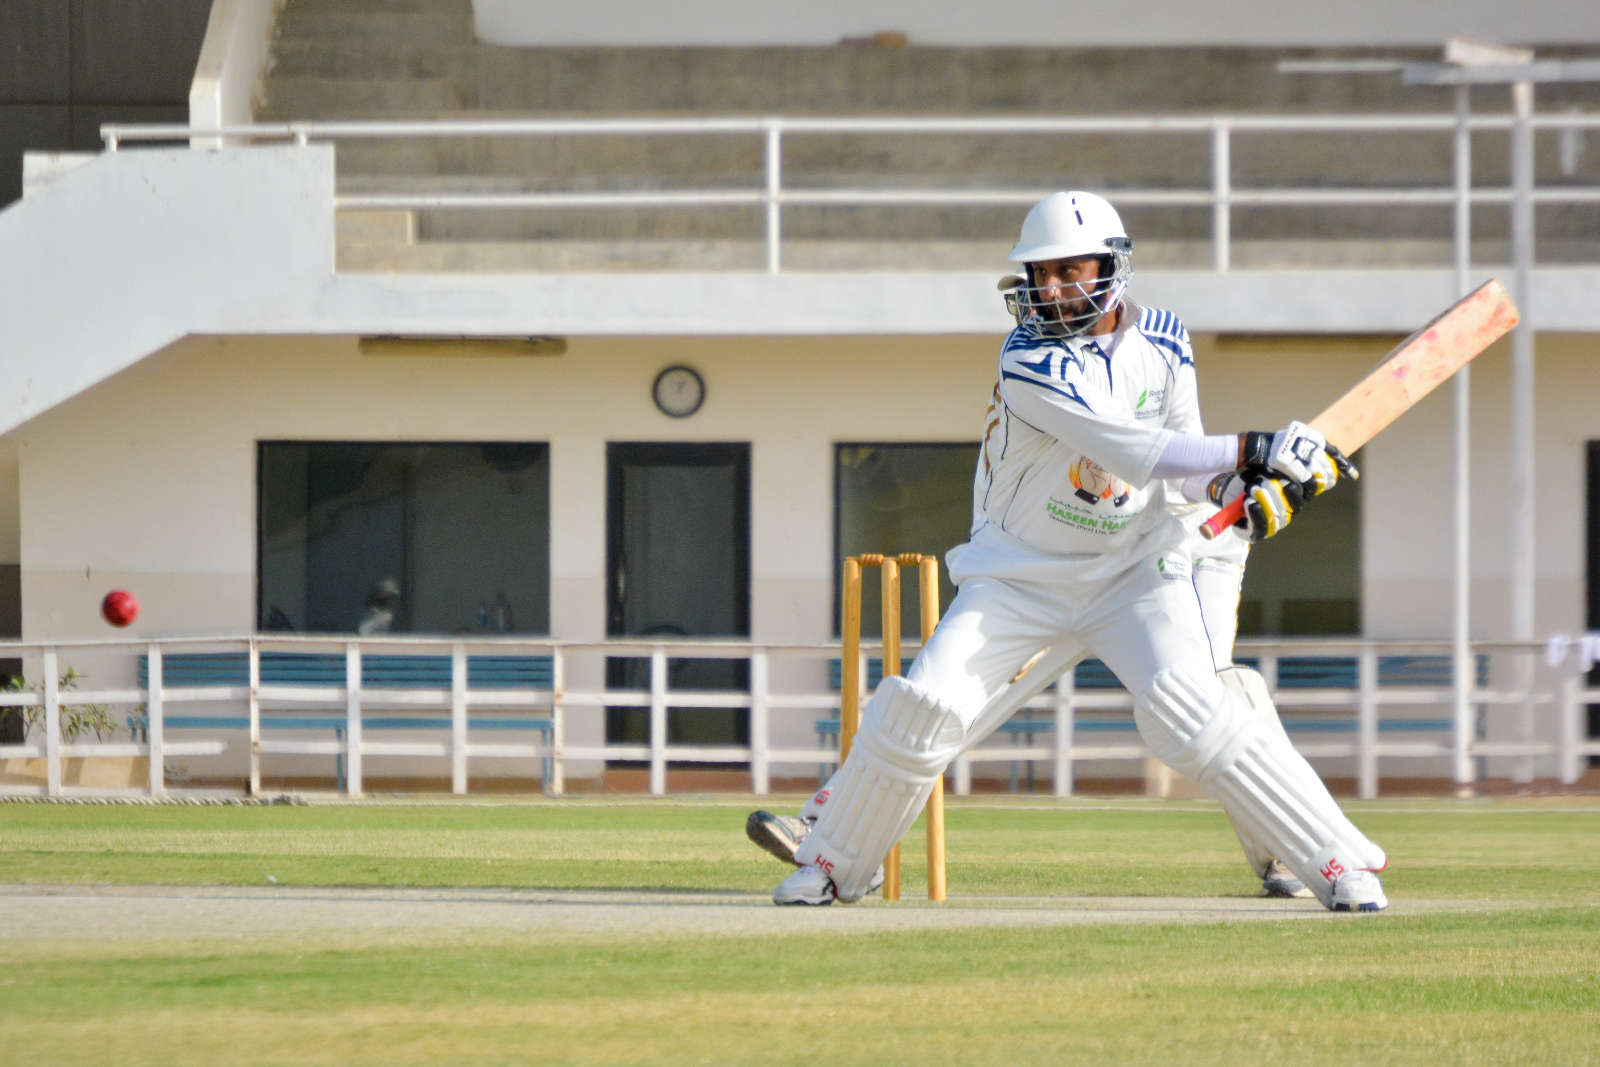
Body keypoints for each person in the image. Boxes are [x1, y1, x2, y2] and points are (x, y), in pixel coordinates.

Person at [761, 190, 1386, 911]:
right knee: (923, 706)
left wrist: (1246, 486)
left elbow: (1188, 466)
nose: (1052, 288)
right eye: (1040, 273)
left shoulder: (1167, 340)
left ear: (1112, 267)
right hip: (1017, 576)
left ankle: (1337, 863)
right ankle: (835, 864)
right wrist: (1260, 447)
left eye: (1069, 271)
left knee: (1190, 709)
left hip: (1134, 573)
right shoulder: (1028, 359)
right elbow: (1133, 449)